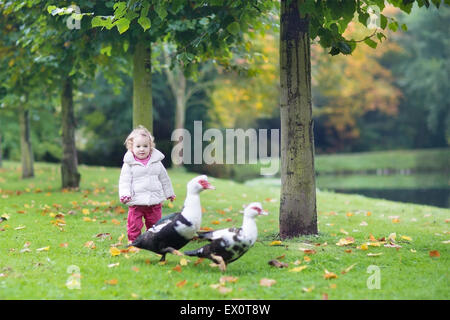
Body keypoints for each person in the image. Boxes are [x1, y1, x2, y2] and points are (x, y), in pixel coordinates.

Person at [119, 125, 175, 243]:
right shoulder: (129, 164)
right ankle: (134, 241)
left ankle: (153, 241)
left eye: (145, 146)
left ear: (150, 146)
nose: (142, 149)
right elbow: (124, 181)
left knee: (155, 224)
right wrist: (125, 194)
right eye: (138, 146)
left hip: (154, 201)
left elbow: (164, 179)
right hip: (136, 201)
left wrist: (169, 193)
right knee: (134, 224)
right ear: (131, 147)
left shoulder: (156, 162)